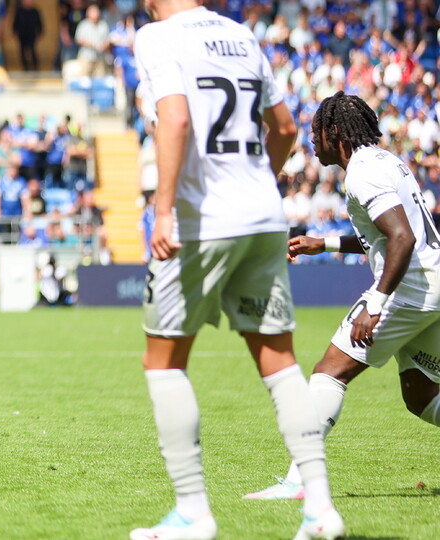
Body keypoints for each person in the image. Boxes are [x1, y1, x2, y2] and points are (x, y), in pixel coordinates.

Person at [131, 2, 344, 540]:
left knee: (164, 361)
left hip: (202, 222)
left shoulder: (158, 36)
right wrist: (253, 183)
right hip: (262, 214)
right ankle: (320, 509)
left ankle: (192, 512)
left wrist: (161, 208)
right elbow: (286, 128)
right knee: (279, 361)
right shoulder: (241, 36)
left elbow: (175, 119)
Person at [246, 92, 440, 501]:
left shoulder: (363, 173)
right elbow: (385, 236)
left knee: (329, 371)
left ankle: (300, 482)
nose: (312, 142)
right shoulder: (386, 162)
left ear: (335, 132)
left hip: (411, 288)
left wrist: (376, 304)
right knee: (420, 393)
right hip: (431, 285)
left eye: (317, 131)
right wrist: (327, 242)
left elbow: (401, 238)